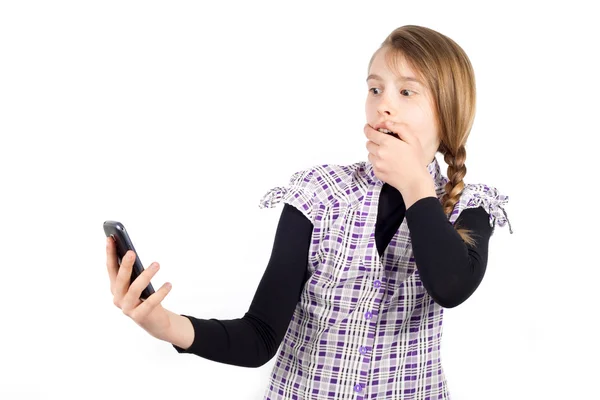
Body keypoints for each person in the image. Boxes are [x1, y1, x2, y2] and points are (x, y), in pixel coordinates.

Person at [106, 25, 513, 400]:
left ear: (448, 112)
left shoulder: (471, 207)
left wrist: (415, 186)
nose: (383, 105)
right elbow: (260, 336)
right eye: (375, 89)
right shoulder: (318, 194)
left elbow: (451, 286)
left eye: (407, 92)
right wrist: (164, 324)